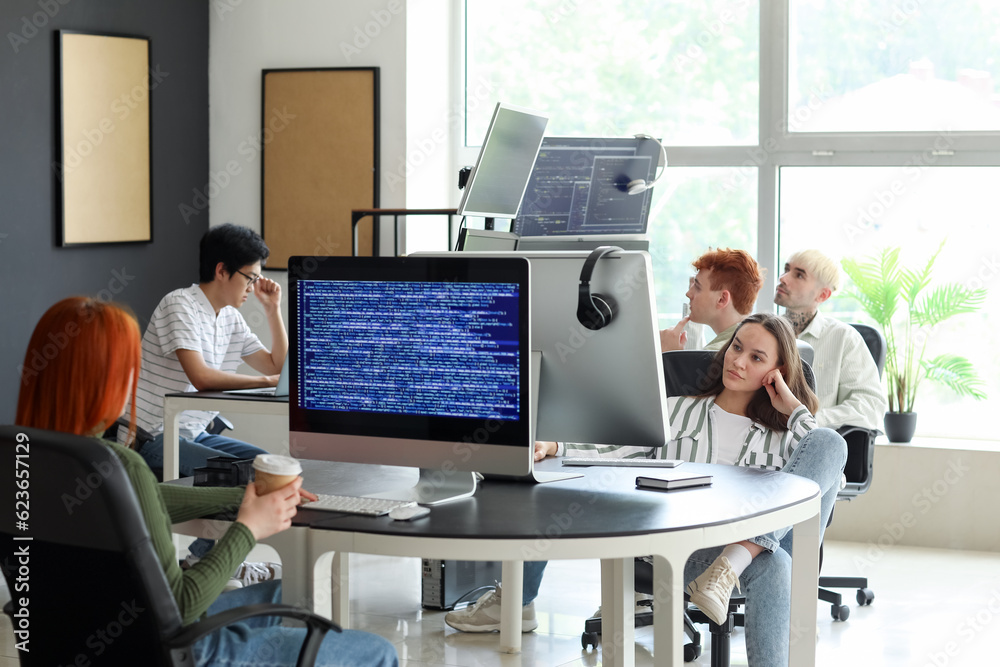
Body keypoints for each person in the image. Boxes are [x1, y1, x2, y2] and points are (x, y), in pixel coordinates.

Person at [15, 297, 398, 667]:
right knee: (376, 651)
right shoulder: (121, 465)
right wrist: (249, 527)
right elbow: (181, 604)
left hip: (78, 641)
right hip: (170, 650)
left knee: (295, 594)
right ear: (106, 381)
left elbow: (142, 500)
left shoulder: (28, 459)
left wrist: (241, 497)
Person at [527, 314, 846, 665]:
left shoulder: (784, 434)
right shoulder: (675, 411)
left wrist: (794, 409)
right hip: (688, 548)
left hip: (764, 544)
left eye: (756, 357)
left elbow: (829, 476)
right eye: (736, 347)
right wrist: (556, 445)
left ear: (778, 372)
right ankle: (732, 562)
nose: (738, 361)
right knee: (777, 564)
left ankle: (737, 557)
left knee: (830, 442)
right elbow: (613, 448)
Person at [127, 223, 287, 478]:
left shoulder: (230, 317)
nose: (252, 288)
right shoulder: (179, 304)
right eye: (250, 278)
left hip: (192, 433)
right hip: (152, 436)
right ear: (222, 271)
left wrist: (273, 310)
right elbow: (201, 377)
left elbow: (278, 366)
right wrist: (266, 381)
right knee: (250, 476)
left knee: (271, 467)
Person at [774, 249, 887, 430]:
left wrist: (807, 420)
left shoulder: (844, 339)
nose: (783, 278)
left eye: (799, 275)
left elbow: (870, 406)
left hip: (813, 446)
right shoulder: (762, 333)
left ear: (823, 295)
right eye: (786, 269)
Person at [660, 247, 766, 352]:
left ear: (722, 299)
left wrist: (668, 355)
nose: (688, 294)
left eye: (697, 286)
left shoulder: (716, 355)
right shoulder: (747, 344)